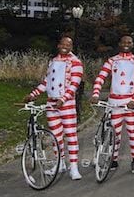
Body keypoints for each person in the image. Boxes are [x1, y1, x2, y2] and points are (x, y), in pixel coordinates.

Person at [24, 36, 83, 180]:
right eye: (62, 44)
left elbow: (74, 84)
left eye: (68, 44)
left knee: (71, 135)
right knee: (55, 136)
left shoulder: (76, 62)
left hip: (66, 104)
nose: (65, 46)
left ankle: (74, 167)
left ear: (71, 47)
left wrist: (63, 99)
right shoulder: (53, 61)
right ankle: (60, 163)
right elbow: (47, 82)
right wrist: (34, 94)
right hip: (52, 103)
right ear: (58, 45)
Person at [90, 35, 134, 174]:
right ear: (119, 43)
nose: (126, 44)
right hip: (114, 102)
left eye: (129, 42)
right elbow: (100, 77)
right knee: (115, 133)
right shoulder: (112, 61)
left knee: (132, 131)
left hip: (130, 103)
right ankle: (113, 160)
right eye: (123, 42)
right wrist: (96, 93)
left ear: (132, 44)